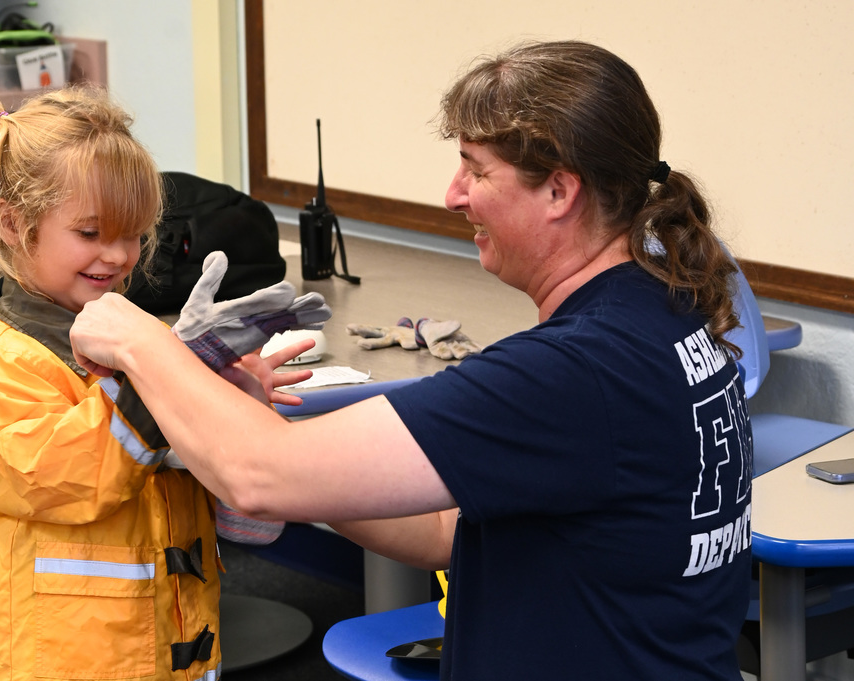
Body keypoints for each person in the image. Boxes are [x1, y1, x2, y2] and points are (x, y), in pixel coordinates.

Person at [69, 41, 754, 680]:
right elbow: (438, 530)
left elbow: (257, 477)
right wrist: (277, 442)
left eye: (477, 170)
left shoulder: (574, 372)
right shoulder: (666, 313)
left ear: (559, 191)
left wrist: (139, 339)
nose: (454, 194)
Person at [0, 85, 318, 681]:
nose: (118, 255)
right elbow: (69, 478)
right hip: (57, 660)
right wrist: (167, 372)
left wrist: (235, 405)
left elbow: (246, 520)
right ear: (14, 225)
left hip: (170, 643)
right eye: (91, 233)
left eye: (134, 233)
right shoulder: (6, 361)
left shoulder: (138, 340)